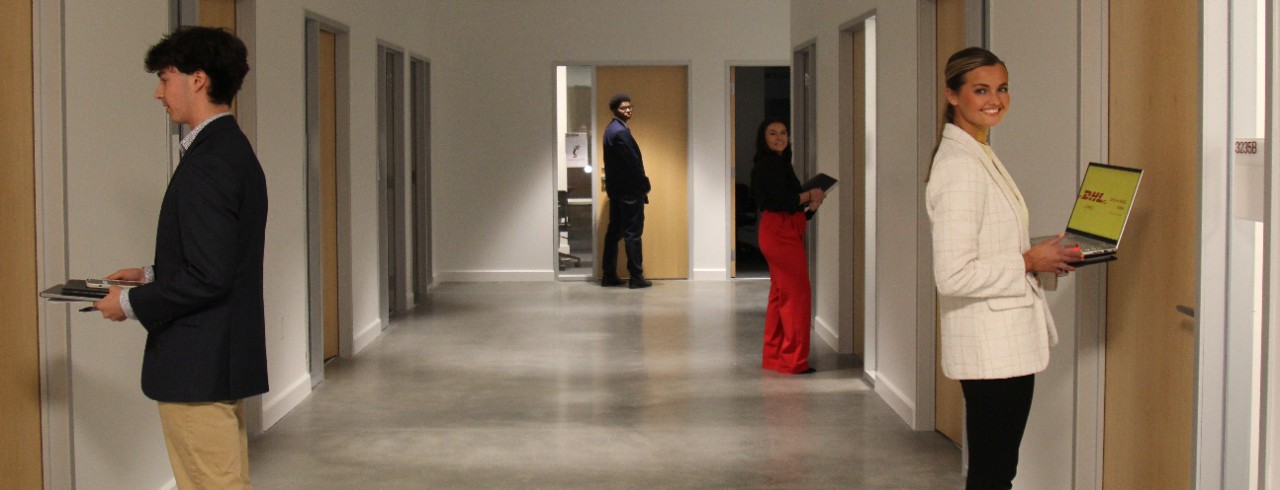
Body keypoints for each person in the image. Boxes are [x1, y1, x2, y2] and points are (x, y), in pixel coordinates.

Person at [92, 26, 268, 490]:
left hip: (197, 370)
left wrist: (129, 303)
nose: (158, 93)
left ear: (197, 80)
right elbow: (220, 258)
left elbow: (209, 276)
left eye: (165, 78)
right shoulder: (231, 149)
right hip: (215, 364)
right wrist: (149, 274)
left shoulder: (210, 160)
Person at [925, 47, 1082, 489]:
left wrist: (1040, 255)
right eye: (981, 90)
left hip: (1002, 346)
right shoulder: (959, 166)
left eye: (1002, 88)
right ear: (952, 95)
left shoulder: (978, 152)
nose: (995, 99)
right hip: (992, 350)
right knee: (994, 473)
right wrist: (1029, 261)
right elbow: (953, 274)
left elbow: (987, 244)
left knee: (997, 470)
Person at [750, 117, 823, 375]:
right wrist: (808, 195)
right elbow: (780, 200)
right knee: (797, 296)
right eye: (772, 133)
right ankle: (794, 360)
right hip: (779, 235)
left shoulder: (780, 163)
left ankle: (775, 355)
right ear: (763, 138)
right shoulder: (768, 165)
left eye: (783, 133)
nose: (779, 137)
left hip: (781, 230)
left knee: (781, 295)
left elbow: (789, 206)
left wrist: (811, 206)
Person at [600, 93, 653, 289]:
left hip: (617, 192)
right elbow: (633, 164)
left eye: (630, 107)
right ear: (615, 110)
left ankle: (609, 274)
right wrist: (644, 185)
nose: (628, 110)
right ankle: (636, 277)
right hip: (630, 193)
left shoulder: (610, 130)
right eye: (624, 108)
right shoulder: (620, 133)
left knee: (614, 232)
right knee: (633, 233)